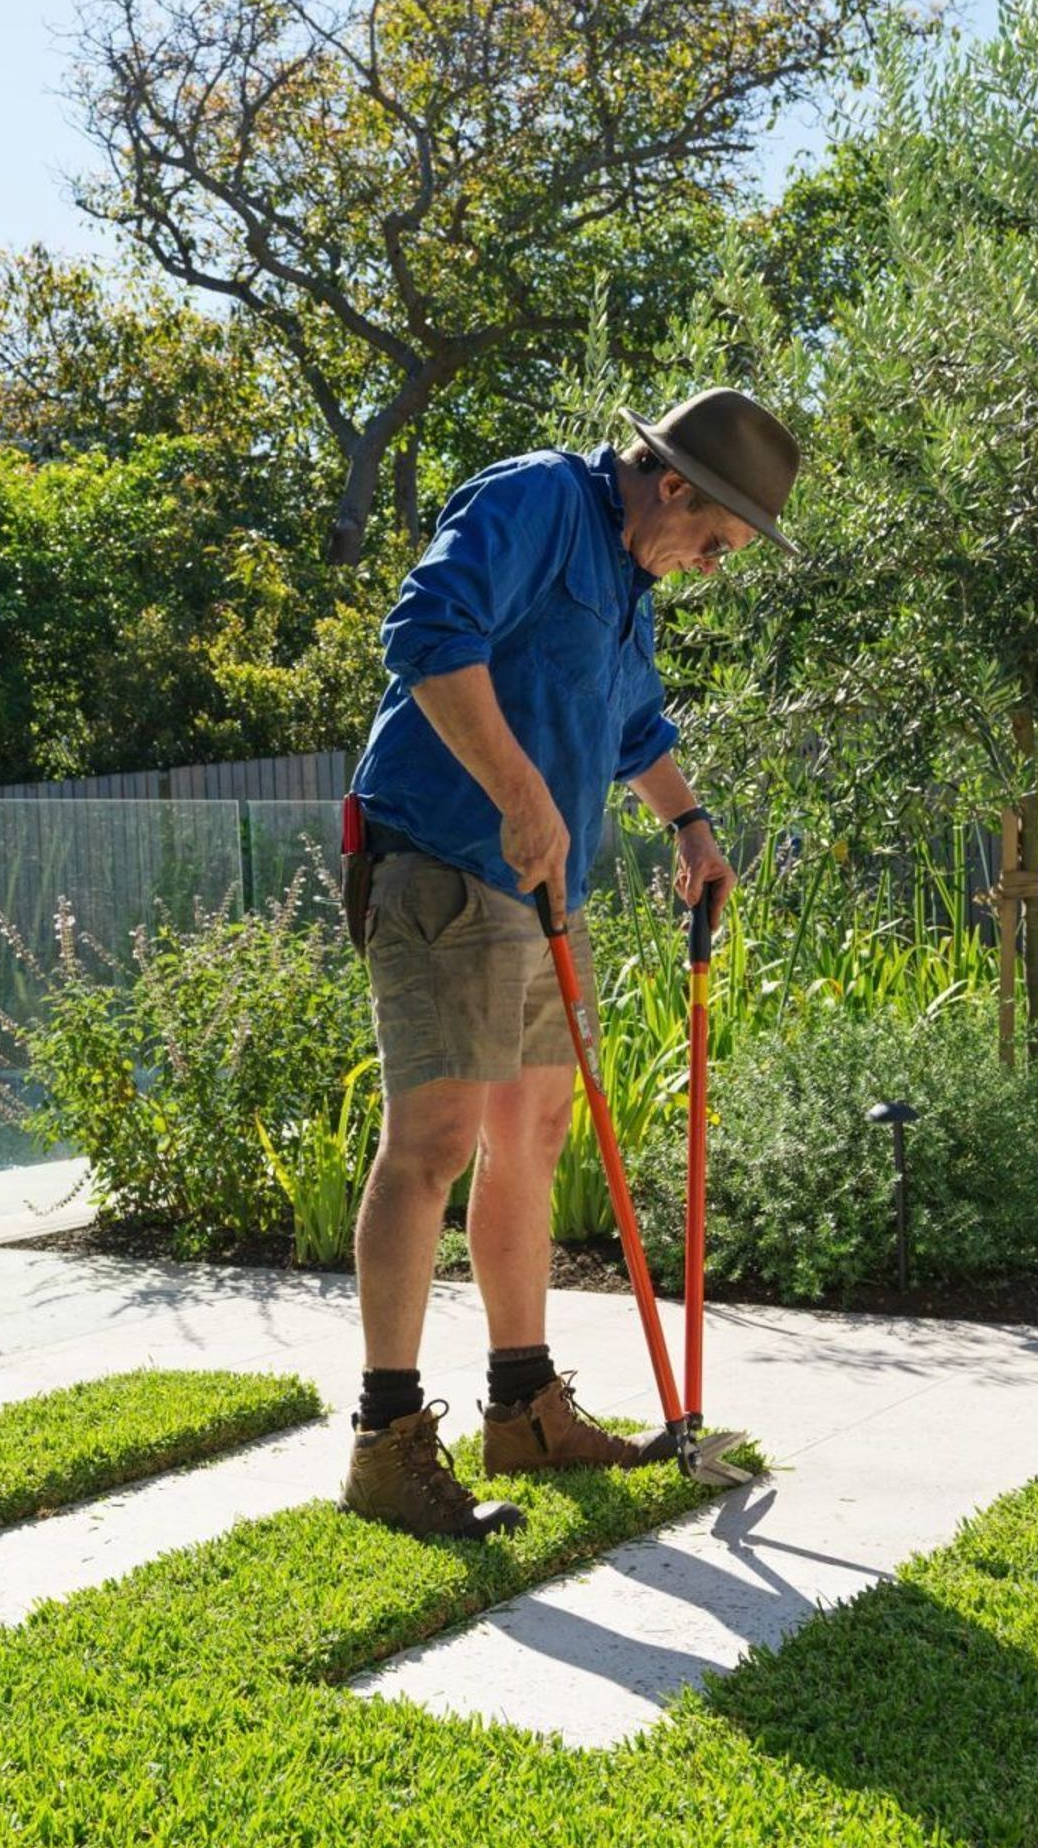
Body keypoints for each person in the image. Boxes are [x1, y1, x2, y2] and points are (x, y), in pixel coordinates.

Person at [337, 388, 801, 1538]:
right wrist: (522, 792)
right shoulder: (538, 498)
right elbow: (427, 635)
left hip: (543, 885)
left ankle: (523, 1404)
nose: (707, 564)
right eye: (714, 540)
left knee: (532, 1135)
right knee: (433, 1145)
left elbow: (634, 727)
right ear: (674, 483)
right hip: (445, 861)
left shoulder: (630, 582)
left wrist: (691, 826)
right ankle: (386, 1441)